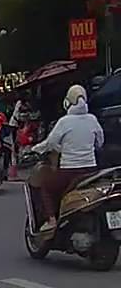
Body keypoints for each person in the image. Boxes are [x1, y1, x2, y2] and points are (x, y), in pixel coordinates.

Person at [28, 84, 105, 232]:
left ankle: (51, 220)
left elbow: (50, 143)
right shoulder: (92, 119)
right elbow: (100, 142)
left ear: (68, 102)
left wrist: (36, 148)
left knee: (46, 187)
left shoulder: (64, 122)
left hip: (69, 171)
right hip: (91, 171)